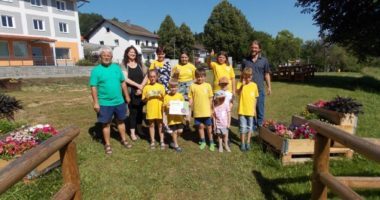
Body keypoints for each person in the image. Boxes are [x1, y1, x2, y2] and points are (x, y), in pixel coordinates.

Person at [89, 47, 132, 155]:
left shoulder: (116, 68)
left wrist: (126, 96)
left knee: (121, 121)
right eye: (104, 55)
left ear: (111, 57)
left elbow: (123, 83)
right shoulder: (96, 71)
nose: (106, 57)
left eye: (108, 55)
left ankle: (124, 140)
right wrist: (95, 102)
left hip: (119, 101)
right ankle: (107, 144)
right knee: (106, 124)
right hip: (104, 103)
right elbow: (93, 87)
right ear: (100, 57)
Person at [241, 40, 271, 128]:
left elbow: (266, 74)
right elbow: (242, 74)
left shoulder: (264, 60)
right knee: (250, 108)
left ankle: (260, 124)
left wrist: (269, 87)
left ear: (259, 49)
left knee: (260, 107)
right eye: (252, 47)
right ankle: (252, 125)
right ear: (250, 48)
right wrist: (241, 85)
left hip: (260, 88)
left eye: (256, 48)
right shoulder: (245, 60)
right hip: (248, 89)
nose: (254, 49)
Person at [121, 46, 147, 141]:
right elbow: (125, 78)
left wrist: (142, 86)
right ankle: (132, 132)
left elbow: (147, 75)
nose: (133, 54)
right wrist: (138, 85)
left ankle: (139, 129)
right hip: (131, 92)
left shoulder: (140, 63)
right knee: (133, 112)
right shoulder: (124, 64)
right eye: (131, 52)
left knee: (140, 111)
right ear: (127, 53)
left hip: (141, 92)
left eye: (134, 52)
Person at [189, 68, 215, 151]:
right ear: (195, 77)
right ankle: (203, 141)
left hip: (207, 111)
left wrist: (211, 109)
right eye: (198, 77)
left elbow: (211, 98)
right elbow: (190, 98)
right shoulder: (192, 86)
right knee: (200, 127)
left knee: (209, 127)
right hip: (197, 112)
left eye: (202, 76)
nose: (200, 78)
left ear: (205, 77)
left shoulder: (208, 85)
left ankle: (211, 142)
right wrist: (188, 105)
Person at [142, 69, 166, 149]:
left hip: (159, 108)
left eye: (154, 76)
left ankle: (162, 140)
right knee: (151, 125)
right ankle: (152, 141)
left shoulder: (161, 86)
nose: (152, 78)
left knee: (160, 125)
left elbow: (165, 99)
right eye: (150, 77)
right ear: (148, 77)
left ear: (157, 77)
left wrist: (162, 95)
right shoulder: (146, 87)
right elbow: (143, 100)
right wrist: (146, 97)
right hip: (150, 109)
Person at [171, 51, 196, 129]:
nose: (184, 59)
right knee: (180, 105)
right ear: (180, 58)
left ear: (188, 58)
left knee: (188, 105)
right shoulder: (176, 66)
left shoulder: (192, 67)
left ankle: (187, 124)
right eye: (182, 57)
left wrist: (191, 84)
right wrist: (176, 74)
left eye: (185, 57)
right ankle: (180, 122)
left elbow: (196, 78)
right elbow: (173, 79)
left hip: (189, 86)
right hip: (179, 86)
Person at [236, 67, 259, 152]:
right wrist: (242, 85)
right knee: (242, 128)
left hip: (250, 111)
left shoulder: (254, 85)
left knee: (250, 128)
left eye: (249, 77)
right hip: (242, 111)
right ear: (243, 76)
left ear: (252, 76)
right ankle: (242, 143)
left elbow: (256, 98)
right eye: (245, 77)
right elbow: (237, 93)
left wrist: (254, 109)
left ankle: (248, 142)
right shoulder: (240, 84)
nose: (247, 79)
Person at [163, 79, 185, 152]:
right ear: (169, 87)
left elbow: (184, 107)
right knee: (175, 131)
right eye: (171, 87)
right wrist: (167, 106)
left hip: (179, 118)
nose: (173, 88)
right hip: (171, 119)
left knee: (180, 131)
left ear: (177, 87)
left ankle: (173, 139)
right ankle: (176, 145)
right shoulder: (166, 97)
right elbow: (164, 108)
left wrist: (184, 110)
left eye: (175, 87)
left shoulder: (180, 96)